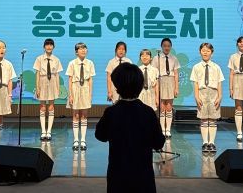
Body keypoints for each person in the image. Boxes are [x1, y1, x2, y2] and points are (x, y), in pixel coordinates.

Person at [95, 63, 165, 193]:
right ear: (140, 86)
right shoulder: (148, 112)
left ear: (117, 87)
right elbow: (158, 142)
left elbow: (100, 135)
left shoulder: (111, 112)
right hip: (143, 176)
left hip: (118, 175)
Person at [191, 43, 224, 153]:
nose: (205, 53)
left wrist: (220, 96)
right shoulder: (196, 67)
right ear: (200, 52)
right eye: (203, 50)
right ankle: (205, 142)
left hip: (214, 93)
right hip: (202, 93)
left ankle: (212, 143)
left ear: (212, 53)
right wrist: (196, 96)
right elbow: (195, 83)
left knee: (213, 119)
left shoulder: (216, 67)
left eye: (208, 51)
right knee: (204, 118)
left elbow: (219, 83)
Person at [66, 42, 95, 150]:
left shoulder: (90, 63)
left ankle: (83, 140)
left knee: (84, 115)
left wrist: (90, 94)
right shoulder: (72, 63)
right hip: (75, 87)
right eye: (81, 48)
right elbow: (69, 80)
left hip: (85, 88)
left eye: (85, 48)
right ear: (76, 52)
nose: (83, 50)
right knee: (76, 115)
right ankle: (75, 140)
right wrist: (70, 95)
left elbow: (91, 80)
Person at [33, 38, 63, 141]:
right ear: (44, 47)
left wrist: (58, 88)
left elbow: (57, 75)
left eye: (51, 45)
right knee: (42, 107)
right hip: (42, 81)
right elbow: (37, 74)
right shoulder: (39, 59)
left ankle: (49, 131)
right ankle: (43, 131)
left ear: (53, 47)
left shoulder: (56, 59)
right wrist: (37, 87)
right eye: (47, 44)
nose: (49, 46)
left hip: (52, 82)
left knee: (51, 107)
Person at [151, 37, 180, 138]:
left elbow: (176, 74)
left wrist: (176, 88)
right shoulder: (156, 58)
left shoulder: (174, 58)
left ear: (171, 47)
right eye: (164, 46)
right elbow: (153, 72)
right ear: (161, 47)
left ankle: (168, 130)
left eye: (168, 46)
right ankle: (162, 129)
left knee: (169, 107)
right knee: (162, 107)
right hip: (161, 80)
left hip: (170, 80)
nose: (166, 48)